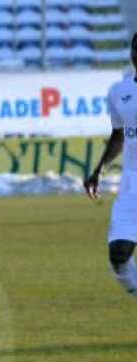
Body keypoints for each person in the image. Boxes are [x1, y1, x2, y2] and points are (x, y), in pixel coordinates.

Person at [84, 31, 137, 297]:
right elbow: (119, 134)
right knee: (118, 254)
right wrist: (99, 169)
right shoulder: (120, 91)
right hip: (132, 182)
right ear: (132, 54)